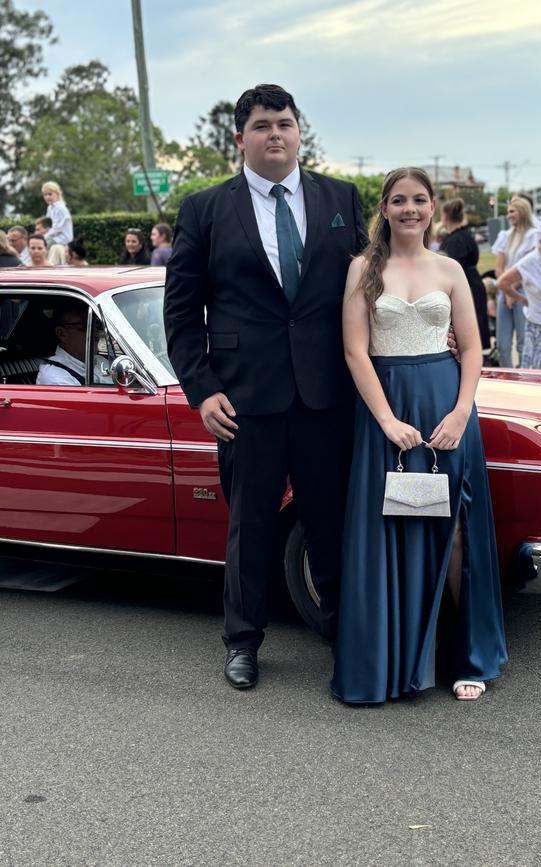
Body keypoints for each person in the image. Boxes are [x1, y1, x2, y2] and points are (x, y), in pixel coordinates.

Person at [164, 83, 368, 691]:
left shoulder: (341, 199)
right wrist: (201, 391)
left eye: (284, 122)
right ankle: (243, 641)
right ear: (240, 139)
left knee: (329, 520)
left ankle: (342, 629)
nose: (274, 133)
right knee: (249, 525)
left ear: (300, 131)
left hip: (325, 395)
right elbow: (181, 313)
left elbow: (369, 290)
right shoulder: (204, 210)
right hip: (243, 400)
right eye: (261, 125)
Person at [331, 167, 507, 704]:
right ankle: (392, 662)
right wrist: (386, 420)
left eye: (420, 200)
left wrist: (459, 414)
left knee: (453, 529)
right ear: (383, 209)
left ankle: (465, 656)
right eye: (399, 200)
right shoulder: (363, 269)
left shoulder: (451, 269)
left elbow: (475, 349)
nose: (410, 209)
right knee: (394, 527)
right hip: (386, 409)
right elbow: (355, 350)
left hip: (444, 407)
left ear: (433, 208)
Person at [496, 222, 541, 369]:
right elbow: (502, 282)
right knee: (539, 372)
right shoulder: (530, 262)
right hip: (539, 325)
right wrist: (522, 299)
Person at [492, 197, 538, 367]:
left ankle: (525, 377)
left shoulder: (533, 236)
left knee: (522, 341)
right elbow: (499, 266)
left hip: (523, 291)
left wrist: (513, 290)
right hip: (504, 291)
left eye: (512, 211)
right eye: (508, 212)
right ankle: (506, 376)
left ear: (522, 211)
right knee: (503, 344)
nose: (508, 215)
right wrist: (507, 290)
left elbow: (529, 267)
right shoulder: (505, 236)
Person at [439, 198, 490, 349]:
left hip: (467, 287)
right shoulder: (466, 236)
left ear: (445, 216)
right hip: (473, 283)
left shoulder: (455, 240)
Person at [36, 301, 111, 386]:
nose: (95, 331)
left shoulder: (100, 360)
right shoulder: (55, 377)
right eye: (86, 326)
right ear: (62, 334)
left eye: (95, 323)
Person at [41, 181, 74, 245]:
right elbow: (48, 225)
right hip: (53, 236)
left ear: (57, 194)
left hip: (63, 238)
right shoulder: (50, 207)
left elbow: (57, 228)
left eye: (50, 194)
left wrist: (44, 236)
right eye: (45, 194)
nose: (47, 197)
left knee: (42, 245)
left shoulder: (60, 208)